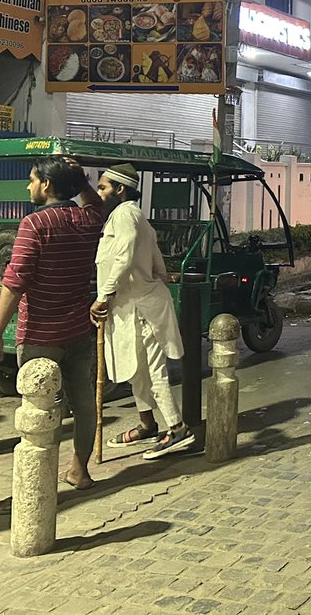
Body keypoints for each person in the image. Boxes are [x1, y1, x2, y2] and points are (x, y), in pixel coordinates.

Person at [0, 157, 103, 489]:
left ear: (46, 185)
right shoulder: (87, 219)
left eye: (32, 180)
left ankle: (39, 481)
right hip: (78, 332)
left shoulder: (34, 225)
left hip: (40, 336)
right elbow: (95, 202)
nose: (28, 186)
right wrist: (79, 179)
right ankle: (80, 470)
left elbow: (14, 282)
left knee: (39, 409)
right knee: (82, 401)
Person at [92, 164, 194, 459]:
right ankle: (147, 425)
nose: (100, 193)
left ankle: (177, 429)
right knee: (137, 371)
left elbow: (123, 259)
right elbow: (156, 261)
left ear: (120, 189)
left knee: (153, 371)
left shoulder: (125, 215)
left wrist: (103, 297)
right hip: (132, 306)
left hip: (143, 308)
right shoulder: (132, 216)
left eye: (103, 187)